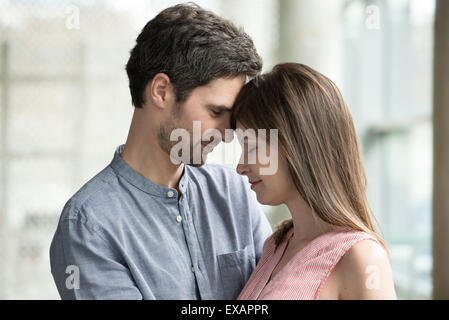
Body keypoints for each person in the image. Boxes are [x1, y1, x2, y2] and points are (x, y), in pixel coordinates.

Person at [49, 3, 272, 300]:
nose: (227, 134)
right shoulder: (89, 226)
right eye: (216, 111)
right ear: (161, 91)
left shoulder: (234, 192)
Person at [232, 63, 397, 300]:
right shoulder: (276, 245)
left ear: (298, 144)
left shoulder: (361, 257)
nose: (240, 166)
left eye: (252, 147)